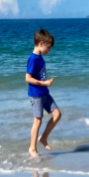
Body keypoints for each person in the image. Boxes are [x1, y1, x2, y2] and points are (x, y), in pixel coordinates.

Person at [26, 28, 61, 158]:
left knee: (57, 114)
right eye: (48, 47)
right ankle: (32, 148)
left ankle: (43, 138)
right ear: (41, 44)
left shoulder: (40, 57)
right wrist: (44, 83)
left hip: (45, 92)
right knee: (38, 121)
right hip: (36, 94)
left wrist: (45, 85)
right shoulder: (33, 58)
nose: (49, 51)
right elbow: (28, 78)